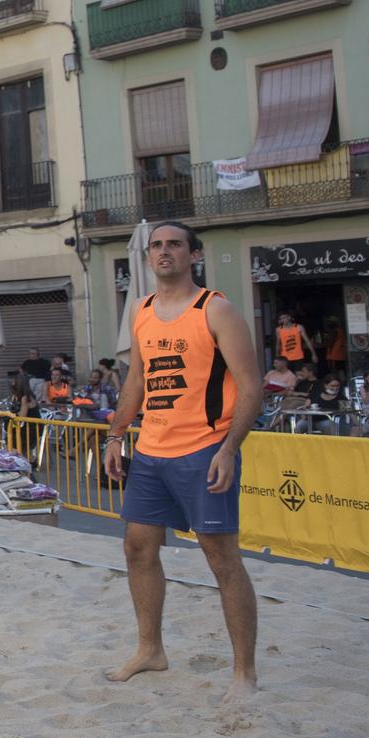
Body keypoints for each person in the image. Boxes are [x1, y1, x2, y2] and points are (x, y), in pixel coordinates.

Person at [103, 221, 263, 704]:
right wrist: (116, 433)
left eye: (175, 244)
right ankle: (150, 649)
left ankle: (244, 674)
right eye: (157, 245)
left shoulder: (216, 309)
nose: (164, 251)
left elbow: (251, 387)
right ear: (148, 256)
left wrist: (229, 449)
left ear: (194, 253)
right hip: (152, 451)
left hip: (204, 449)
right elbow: (138, 382)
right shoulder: (142, 311)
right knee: (137, 549)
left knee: (221, 560)